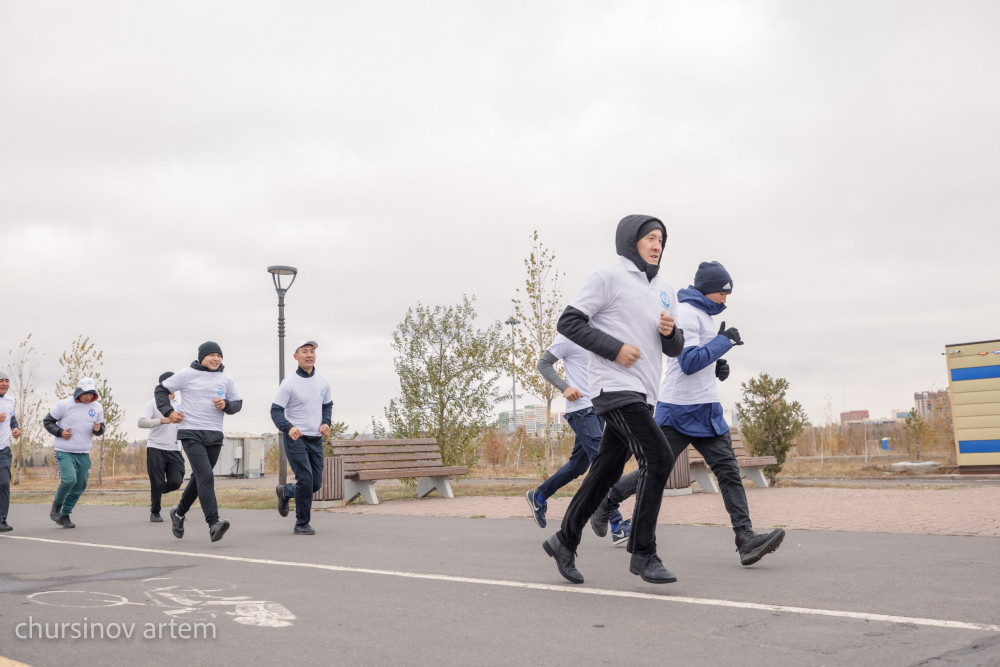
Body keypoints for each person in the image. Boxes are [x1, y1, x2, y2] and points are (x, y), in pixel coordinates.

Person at [589, 261, 785, 565]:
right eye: (722, 293)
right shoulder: (687, 314)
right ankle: (606, 502)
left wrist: (718, 364)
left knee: (729, 473)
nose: (725, 299)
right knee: (655, 471)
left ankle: (745, 539)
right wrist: (725, 341)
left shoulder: (705, 315)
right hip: (678, 410)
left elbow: (701, 363)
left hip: (706, 409)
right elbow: (689, 361)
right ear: (709, 290)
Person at [542, 214, 684, 585]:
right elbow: (570, 322)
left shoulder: (666, 289)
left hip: (645, 390)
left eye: (661, 241)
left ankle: (564, 539)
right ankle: (643, 553)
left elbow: (674, 347)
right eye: (650, 238)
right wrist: (615, 349)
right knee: (659, 456)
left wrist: (670, 334)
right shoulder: (608, 276)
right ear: (630, 241)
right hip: (612, 387)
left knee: (605, 471)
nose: (657, 246)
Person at [526, 335, 631, 546]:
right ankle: (616, 524)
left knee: (579, 465)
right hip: (582, 409)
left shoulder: (599, 336)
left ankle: (539, 495)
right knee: (604, 464)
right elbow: (543, 363)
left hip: (600, 407)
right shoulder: (569, 337)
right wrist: (564, 387)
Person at [155, 341, 242, 543]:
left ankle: (178, 513)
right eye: (211, 355)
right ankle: (213, 524)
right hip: (190, 432)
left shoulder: (226, 378)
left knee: (199, 479)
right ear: (202, 357)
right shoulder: (187, 374)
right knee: (206, 476)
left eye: (219, 355)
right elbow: (160, 390)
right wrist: (169, 412)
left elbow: (237, 403)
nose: (216, 359)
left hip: (214, 434)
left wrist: (226, 404)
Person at [270, 339, 333, 535]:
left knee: (314, 484)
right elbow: (276, 411)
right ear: (296, 356)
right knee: (305, 479)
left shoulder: (323, 381)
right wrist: (288, 427)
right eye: (304, 351)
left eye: (312, 351)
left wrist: (326, 422)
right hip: (296, 438)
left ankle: (286, 491)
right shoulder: (289, 383)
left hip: (315, 439)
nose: (309, 355)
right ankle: (301, 523)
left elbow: (327, 405)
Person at [42, 377, 105, 528]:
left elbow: (101, 428)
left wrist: (98, 430)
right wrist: (60, 432)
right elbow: (47, 421)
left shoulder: (97, 407)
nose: (88, 396)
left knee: (80, 486)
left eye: (91, 393)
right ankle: (56, 507)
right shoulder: (64, 404)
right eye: (85, 393)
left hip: (83, 452)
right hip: (64, 451)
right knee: (70, 480)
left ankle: (65, 515)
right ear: (78, 392)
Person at [138, 372, 185, 523]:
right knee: (156, 482)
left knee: (176, 481)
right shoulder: (153, 403)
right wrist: (161, 420)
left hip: (174, 448)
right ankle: (155, 512)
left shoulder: (182, 402)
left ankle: (158, 489)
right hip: (156, 447)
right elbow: (141, 422)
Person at [1, 370, 23, 533]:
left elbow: (12, 418)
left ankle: (1, 520)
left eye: (7, 380)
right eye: (1, 381)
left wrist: (15, 428)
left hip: (3, 449)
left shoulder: (10, 401)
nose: (4, 383)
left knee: (3, 483)